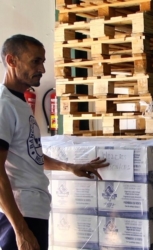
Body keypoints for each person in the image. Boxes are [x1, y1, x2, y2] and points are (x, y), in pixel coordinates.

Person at [0, 34, 109, 250]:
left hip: (33, 211)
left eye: (42, 61)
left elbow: (29, 155)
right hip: (19, 215)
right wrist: (21, 230)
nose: (42, 69)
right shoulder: (4, 106)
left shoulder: (19, 103)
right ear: (11, 61)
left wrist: (69, 167)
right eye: (35, 61)